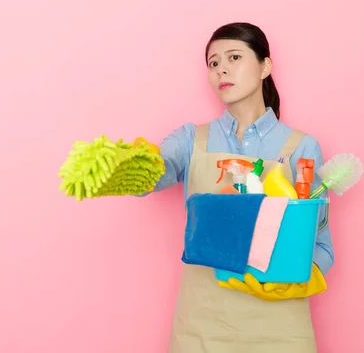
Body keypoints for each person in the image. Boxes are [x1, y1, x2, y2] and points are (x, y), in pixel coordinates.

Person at [134, 22, 334, 353]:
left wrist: (292, 280)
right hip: (202, 326)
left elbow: (321, 247)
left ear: (265, 67)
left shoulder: (301, 147)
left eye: (234, 57)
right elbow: (155, 172)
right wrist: (129, 167)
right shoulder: (190, 140)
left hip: (280, 327)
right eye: (213, 63)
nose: (221, 69)